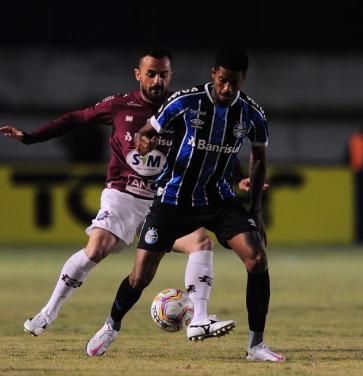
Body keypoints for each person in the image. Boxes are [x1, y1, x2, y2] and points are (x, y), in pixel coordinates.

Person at [0, 47, 234, 343]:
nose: (157, 81)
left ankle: (197, 318)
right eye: (151, 74)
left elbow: (214, 146)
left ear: (171, 75)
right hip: (123, 194)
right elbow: (77, 118)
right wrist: (32, 138)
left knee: (199, 242)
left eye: (163, 74)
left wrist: (239, 177)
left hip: (164, 200)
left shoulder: (183, 109)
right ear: (138, 75)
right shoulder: (120, 105)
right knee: (98, 246)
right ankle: (48, 312)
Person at [86, 48, 285, 362]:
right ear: (213, 74)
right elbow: (146, 132)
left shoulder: (252, 114)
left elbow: (258, 158)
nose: (227, 89)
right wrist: (144, 141)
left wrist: (255, 209)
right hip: (172, 200)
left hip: (219, 199)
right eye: (222, 81)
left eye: (233, 83)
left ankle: (256, 346)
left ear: (242, 80)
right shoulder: (185, 101)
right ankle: (111, 326)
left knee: (257, 258)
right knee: (140, 277)